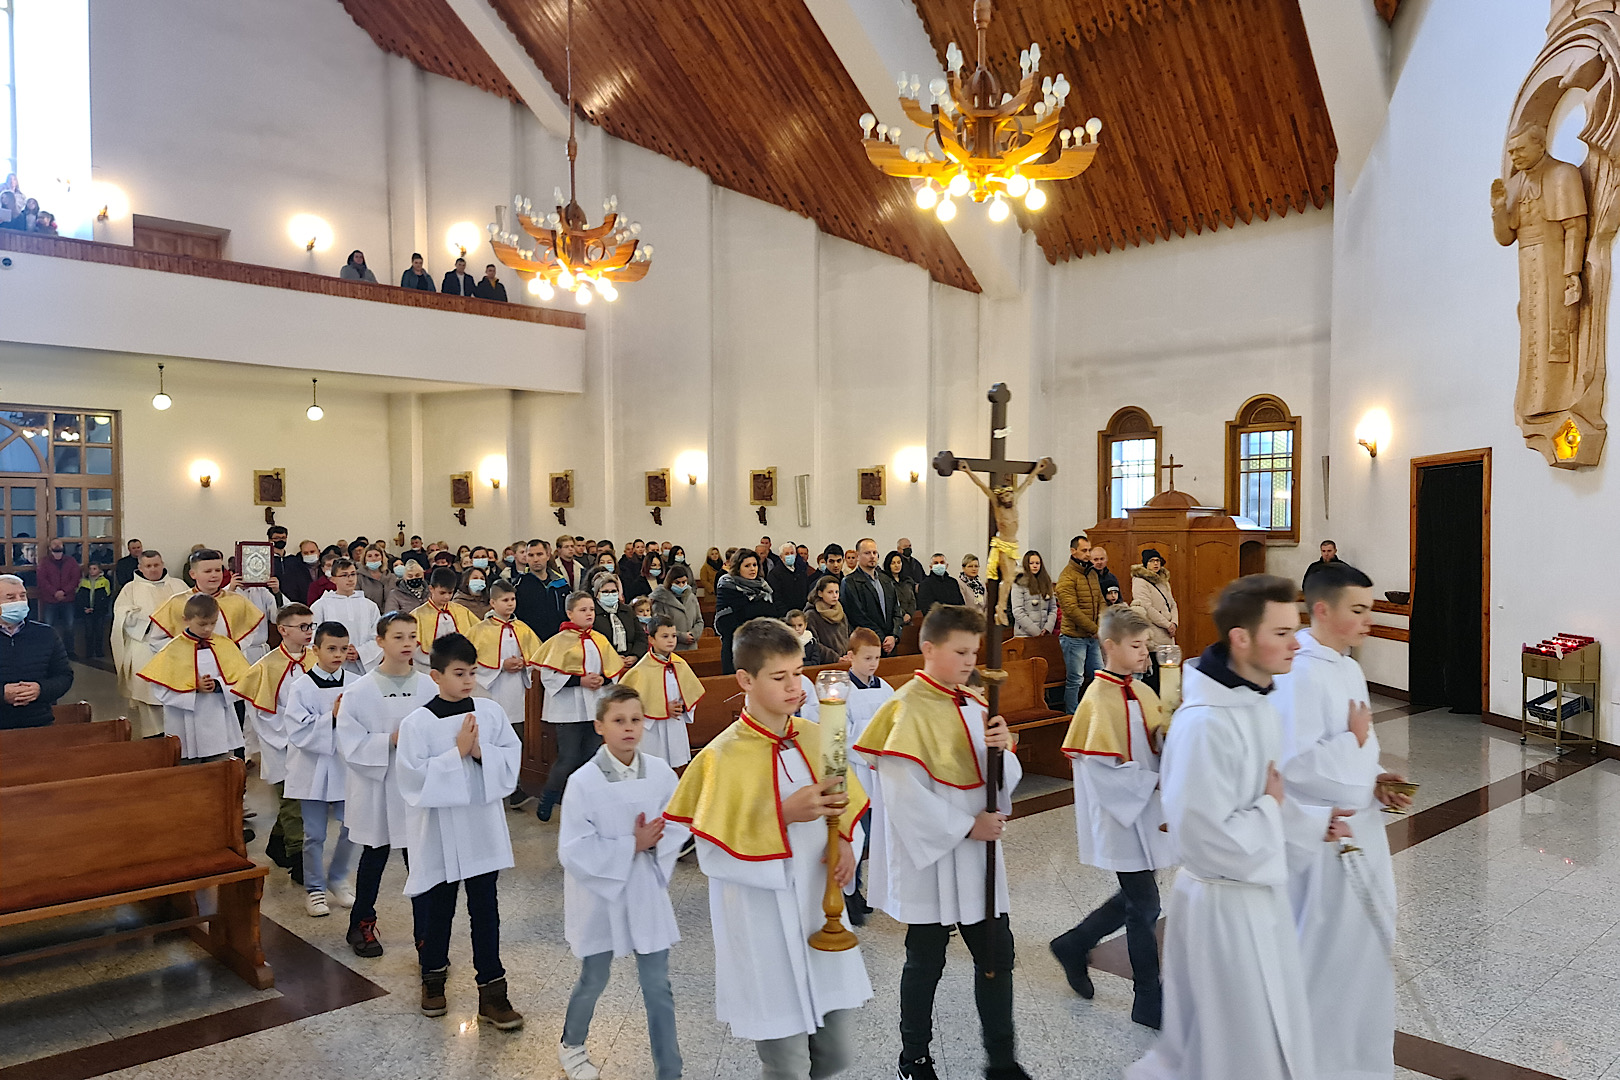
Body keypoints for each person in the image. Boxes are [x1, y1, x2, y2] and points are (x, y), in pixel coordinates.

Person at [1124, 574, 1323, 1080]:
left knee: (1269, 1039)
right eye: (1282, 632)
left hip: (1257, 897)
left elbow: (1269, 793)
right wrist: (1273, 810)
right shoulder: (1204, 723)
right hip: (1222, 909)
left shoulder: (1257, 701)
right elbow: (1202, 837)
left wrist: (1315, 822)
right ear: (1241, 638)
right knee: (1231, 1050)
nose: (1296, 643)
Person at [664, 617, 872, 1079]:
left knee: (835, 1054)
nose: (795, 686)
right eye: (780, 677)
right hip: (763, 922)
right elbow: (712, 853)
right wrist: (781, 814)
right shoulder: (721, 757)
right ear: (745, 680)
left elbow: (845, 808)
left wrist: (845, 843)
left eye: (798, 673)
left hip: (819, 910)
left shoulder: (819, 737)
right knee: (787, 1064)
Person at [854, 605, 1027, 1080]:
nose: (970, 661)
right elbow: (903, 796)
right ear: (928, 649)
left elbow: (999, 778)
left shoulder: (975, 704)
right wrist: (967, 827)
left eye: (974, 652)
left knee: (997, 955)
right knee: (925, 958)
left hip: (977, 855)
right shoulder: (904, 709)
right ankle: (914, 1057)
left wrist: (1003, 749)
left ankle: (1002, 1060)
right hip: (931, 855)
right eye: (960, 652)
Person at [1274, 563, 1411, 1080]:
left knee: (1367, 956)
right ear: (1322, 610)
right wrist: (1353, 744)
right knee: (1327, 957)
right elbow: (1293, 766)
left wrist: (1376, 778)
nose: (1368, 620)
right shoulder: (1298, 671)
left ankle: (1361, 1061)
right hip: (1325, 839)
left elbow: (1357, 751)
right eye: (1358, 610)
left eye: (1370, 609)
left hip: (1364, 829)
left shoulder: (1349, 668)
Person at [557, 685, 688, 1080]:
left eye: (635, 719)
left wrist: (656, 843)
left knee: (657, 985)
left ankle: (670, 1070)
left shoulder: (661, 774)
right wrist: (633, 844)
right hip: (600, 893)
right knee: (594, 976)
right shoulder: (583, 782)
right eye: (618, 720)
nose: (629, 728)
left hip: (645, 888)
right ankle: (572, 1045)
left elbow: (678, 822)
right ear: (600, 726)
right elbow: (574, 849)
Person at [396, 632, 525, 1030]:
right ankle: (433, 978)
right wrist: (457, 753)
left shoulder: (490, 712)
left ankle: (493, 992)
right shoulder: (417, 724)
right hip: (439, 833)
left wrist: (480, 751)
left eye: (472, 672)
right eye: (458, 673)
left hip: (480, 827)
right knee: (439, 910)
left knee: (486, 910)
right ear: (436, 676)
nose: (468, 680)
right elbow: (412, 781)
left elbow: (511, 757)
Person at [1051, 605, 1171, 1029]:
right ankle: (1147, 999)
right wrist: (1153, 782)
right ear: (1109, 646)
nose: (1144, 653)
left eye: (1146, 645)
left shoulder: (1143, 691)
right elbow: (1102, 772)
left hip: (1145, 812)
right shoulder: (1097, 700)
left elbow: (1156, 739)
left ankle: (1074, 943)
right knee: (1145, 905)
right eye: (1136, 645)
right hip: (1120, 815)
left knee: (1138, 898)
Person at [337, 611, 435, 958]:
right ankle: (361, 923)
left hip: (415, 787)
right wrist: (389, 741)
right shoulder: (359, 690)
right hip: (377, 785)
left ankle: (426, 934)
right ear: (379, 641)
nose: (407, 643)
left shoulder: (429, 686)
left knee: (419, 861)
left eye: (412, 636)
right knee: (374, 855)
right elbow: (349, 743)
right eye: (398, 637)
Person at [799, 626, 892, 926]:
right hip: (854, 770)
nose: (873, 664)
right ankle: (849, 892)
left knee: (878, 836)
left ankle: (871, 891)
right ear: (850, 656)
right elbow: (837, 731)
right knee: (855, 834)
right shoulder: (840, 689)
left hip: (880, 771)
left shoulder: (886, 689)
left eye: (876, 658)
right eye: (867, 658)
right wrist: (870, 734)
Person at [236, 604, 318, 885]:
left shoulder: (316, 659)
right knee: (293, 800)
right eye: (302, 627)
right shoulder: (266, 667)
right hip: (282, 742)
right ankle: (299, 860)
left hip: (313, 739)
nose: (309, 632)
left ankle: (277, 843)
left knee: (306, 798)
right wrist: (293, 731)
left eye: (311, 626)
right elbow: (261, 712)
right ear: (283, 630)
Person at [535, 592, 628, 821]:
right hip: (568, 709)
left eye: (591, 610)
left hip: (595, 706)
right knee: (568, 757)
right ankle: (548, 798)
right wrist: (580, 680)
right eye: (583, 610)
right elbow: (549, 676)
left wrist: (603, 679)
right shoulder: (559, 641)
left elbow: (612, 669)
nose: (589, 614)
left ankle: (587, 803)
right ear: (570, 613)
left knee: (592, 757)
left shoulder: (599, 639)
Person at [285, 622, 357, 918]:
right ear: (315, 650)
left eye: (343, 648)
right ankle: (314, 888)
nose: (338, 654)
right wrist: (332, 718)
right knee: (314, 834)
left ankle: (338, 878)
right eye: (331, 648)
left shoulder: (355, 684)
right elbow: (298, 730)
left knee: (352, 827)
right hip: (312, 769)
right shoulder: (301, 687)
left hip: (345, 767)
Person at [138, 593, 249, 761]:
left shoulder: (225, 645)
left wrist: (218, 685)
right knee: (188, 768)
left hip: (219, 719)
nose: (208, 629)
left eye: (213, 623)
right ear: (186, 620)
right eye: (202, 624)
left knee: (222, 766)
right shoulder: (173, 650)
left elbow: (242, 682)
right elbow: (161, 689)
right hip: (184, 721)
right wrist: (193, 687)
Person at [111, 549, 189, 737]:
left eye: (156, 565)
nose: (153, 569)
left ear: (162, 564)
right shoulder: (130, 589)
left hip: (178, 648)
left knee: (178, 694)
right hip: (144, 646)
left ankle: (178, 737)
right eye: (148, 566)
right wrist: (151, 620)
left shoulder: (179, 585)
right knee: (148, 693)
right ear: (140, 567)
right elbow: (122, 616)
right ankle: (153, 735)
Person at [618, 617, 704, 767]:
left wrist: (683, 707)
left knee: (676, 767)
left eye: (673, 636)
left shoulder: (679, 664)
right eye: (665, 636)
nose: (670, 640)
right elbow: (631, 703)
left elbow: (690, 693)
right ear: (651, 639)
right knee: (653, 767)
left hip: (675, 723)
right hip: (652, 729)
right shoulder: (641, 669)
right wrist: (662, 709)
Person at [469, 579, 542, 741]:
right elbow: (471, 661)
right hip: (492, 689)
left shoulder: (522, 628)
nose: (510, 604)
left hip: (517, 690)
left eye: (513, 599)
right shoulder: (480, 630)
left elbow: (536, 655)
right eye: (505, 600)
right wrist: (501, 665)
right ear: (493, 603)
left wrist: (524, 662)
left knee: (517, 735)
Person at [0, 574, 73, 729]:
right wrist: (2, 694)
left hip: (39, 723)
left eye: (22, 596)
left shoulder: (46, 634)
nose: (19, 602)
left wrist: (40, 689)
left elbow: (64, 676)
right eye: (11, 598)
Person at [1056, 535, 1105, 713]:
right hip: (1074, 637)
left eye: (1089, 550)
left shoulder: (1091, 573)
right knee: (1075, 679)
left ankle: (1097, 710)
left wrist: (1101, 623)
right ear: (1073, 551)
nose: (1088, 554)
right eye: (1084, 550)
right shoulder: (1067, 577)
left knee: (1100, 675)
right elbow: (1071, 610)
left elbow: (1100, 600)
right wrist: (1095, 629)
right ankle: (1072, 714)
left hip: (1092, 636)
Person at [312, 558, 383, 676]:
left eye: (353, 574)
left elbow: (378, 636)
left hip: (362, 668)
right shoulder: (321, 606)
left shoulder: (370, 605)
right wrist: (339, 652)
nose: (350, 579)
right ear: (333, 579)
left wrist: (360, 652)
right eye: (344, 575)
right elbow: (313, 638)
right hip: (331, 669)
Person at [714, 550, 777, 674]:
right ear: (738, 568)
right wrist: (757, 611)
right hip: (736, 649)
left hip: (762, 648)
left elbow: (773, 614)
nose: (752, 569)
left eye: (754, 565)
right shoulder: (727, 586)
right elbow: (725, 622)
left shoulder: (763, 587)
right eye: (747, 566)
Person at [1130, 549, 1178, 695]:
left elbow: (1172, 604)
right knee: (1154, 676)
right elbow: (1147, 607)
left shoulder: (1163, 581)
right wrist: (1167, 624)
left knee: (1167, 677)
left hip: (1168, 634)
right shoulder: (1140, 581)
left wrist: (1174, 623)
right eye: (1152, 561)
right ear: (1146, 563)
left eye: (1158, 561)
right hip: (1155, 633)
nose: (1156, 564)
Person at [411, 567, 478, 671]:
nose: (447, 597)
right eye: (442, 593)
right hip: (426, 667)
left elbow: (478, 632)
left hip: (456, 665)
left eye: (450, 593)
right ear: (431, 589)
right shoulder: (417, 615)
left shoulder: (461, 611)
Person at [842, 539, 901, 656]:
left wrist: (894, 636)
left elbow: (897, 610)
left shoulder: (886, 580)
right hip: (866, 643)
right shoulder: (850, 582)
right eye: (867, 553)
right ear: (858, 556)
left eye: (874, 553)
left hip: (890, 644)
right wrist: (881, 638)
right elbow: (858, 616)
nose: (872, 556)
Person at [36, 539, 80, 654]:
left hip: (68, 599)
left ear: (63, 546)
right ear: (50, 547)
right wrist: (54, 592)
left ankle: (70, 652)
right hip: (50, 600)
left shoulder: (71, 561)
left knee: (70, 626)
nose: (57, 545)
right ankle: (49, 652)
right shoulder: (44, 562)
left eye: (59, 543)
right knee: (48, 626)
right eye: (54, 544)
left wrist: (64, 592)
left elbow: (75, 578)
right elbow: (42, 580)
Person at [592, 574, 647, 662]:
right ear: (597, 594)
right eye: (605, 592)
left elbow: (640, 637)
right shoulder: (592, 613)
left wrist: (635, 656)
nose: (610, 594)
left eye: (613, 591)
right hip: (604, 661)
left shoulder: (627, 610)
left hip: (630, 659)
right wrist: (614, 658)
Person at [649, 563, 702, 651]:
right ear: (670, 582)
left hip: (692, 647)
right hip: (671, 647)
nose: (681, 585)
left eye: (684, 582)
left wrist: (693, 634)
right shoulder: (660, 599)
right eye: (677, 582)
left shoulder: (691, 597)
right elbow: (659, 626)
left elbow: (699, 620)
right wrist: (682, 636)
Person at [1009, 550, 1058, 638]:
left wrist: (1048, 628)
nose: (1035, 566)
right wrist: (1035, 632)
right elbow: (1018, 611)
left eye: (1037, 563)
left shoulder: (1046, 582)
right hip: (1024, 635)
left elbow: (1053, 608)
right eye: (1031, 563)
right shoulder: (1019, 583)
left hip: (1044, 633)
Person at [804, 575, 850, 659]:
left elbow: (848, 636)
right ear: (820, 593)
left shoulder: (841, 613)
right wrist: (835, 658)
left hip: (845, 659)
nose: (835, 595)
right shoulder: (811, 615)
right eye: (830, 592)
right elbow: (814, 643)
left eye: (837, 592)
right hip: (825, 663)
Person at [77, 562, 113, 659]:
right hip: (87, 611)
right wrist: (84, 608)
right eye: (90, 569)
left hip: (99, 611)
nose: (92, 571)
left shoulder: (105, 581)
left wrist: (98, 608)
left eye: (94, 569)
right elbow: (80, 597)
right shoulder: (83, 581)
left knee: (99, 632)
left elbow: (106, 597)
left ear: (99, 570)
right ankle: (89, 652)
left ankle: (99, 651)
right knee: (88, 632)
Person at [881, 551, 919, 625]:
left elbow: (912, 600)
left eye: (899, 562)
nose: (896, 565)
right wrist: (903, 614)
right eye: (893, 563)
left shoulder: (907, 580)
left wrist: (909, 614)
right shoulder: (884, 581)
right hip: (893, 620)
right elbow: (891, 602)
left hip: (909, 619)